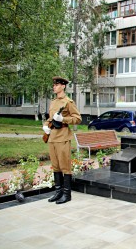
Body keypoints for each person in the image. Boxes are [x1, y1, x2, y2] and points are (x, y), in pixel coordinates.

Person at [43, 76, 82, 204]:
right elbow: (50, 118)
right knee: (55, 166)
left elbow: (77, 118)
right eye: (54, 85)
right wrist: (45, 125)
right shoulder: (53, 102)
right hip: (52, 137)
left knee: (65, 166)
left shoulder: (68, 102)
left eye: (57, 85)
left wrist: (63, 119)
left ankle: (67, 194)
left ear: (63, 86)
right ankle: (58, 192)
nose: (54, 86)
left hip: (63, 136)